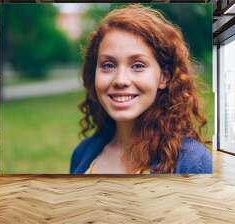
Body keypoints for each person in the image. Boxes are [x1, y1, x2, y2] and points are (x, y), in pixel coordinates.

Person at [70, 4, 212, 174]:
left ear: (163, 77)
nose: (120, 80)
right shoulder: (82, 153)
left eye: (137, 65)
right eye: (108, 65)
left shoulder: (192, 161)